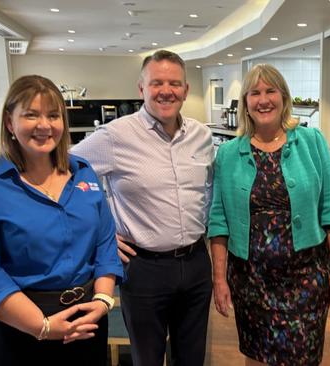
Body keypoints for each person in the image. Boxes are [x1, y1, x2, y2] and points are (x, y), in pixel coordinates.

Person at [0, 75, 123, 366]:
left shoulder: (84, 174)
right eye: (31, 115)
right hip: (13, 328)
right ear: (10, 122)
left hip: (83, 323)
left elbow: (105, 243)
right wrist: (42, 326)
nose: (44, 125)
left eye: (53, 115)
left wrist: (102, 301)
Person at [71, 50, 214, 366]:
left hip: (196, 263)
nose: (166, 90)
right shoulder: (114, 136)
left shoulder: (202, 137)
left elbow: (209, 190)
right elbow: (65, 175)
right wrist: (102, 231)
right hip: (143, 267)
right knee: (147, 359)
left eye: (174, 83)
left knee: (192, 358)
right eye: (157, 82)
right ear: (141, 89)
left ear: (186, 90)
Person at [209, 64, 330, 366]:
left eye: (271, 91)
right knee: (257, 356)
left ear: (283, 97)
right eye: (255, 93)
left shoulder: (312, 142)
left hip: (306, 277)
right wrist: (219, 279)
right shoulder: (229, 153)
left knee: (304, 356)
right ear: (245, 102)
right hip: (250, 280)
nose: (263, 99)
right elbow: (218, 221)